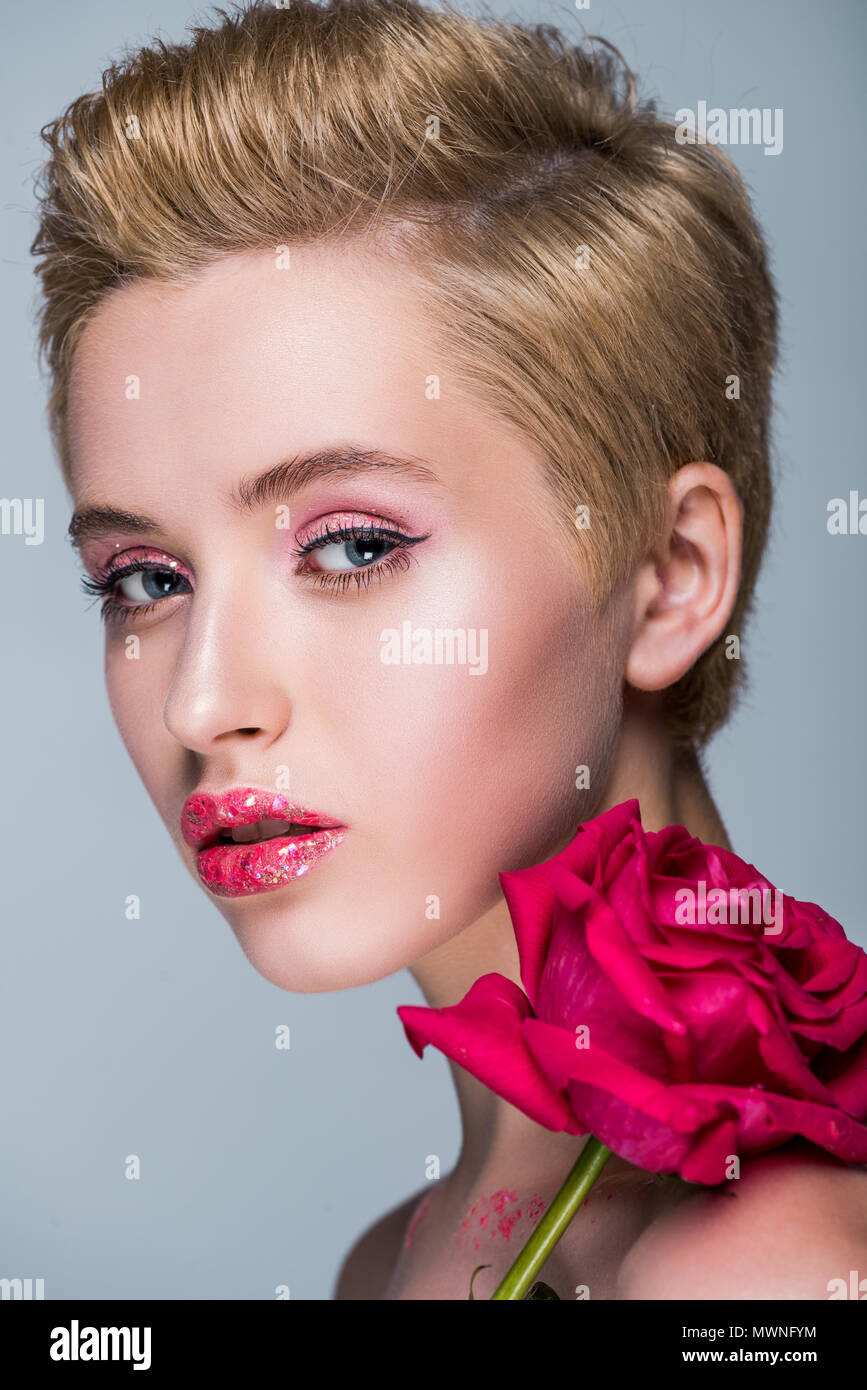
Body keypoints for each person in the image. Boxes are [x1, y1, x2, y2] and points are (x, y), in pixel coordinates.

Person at [31, 0, 867, 1298]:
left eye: (354, 547)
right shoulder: (394, 1260)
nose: (204, 700)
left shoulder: (768, 1270)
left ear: (671, 573)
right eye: (144, 579)